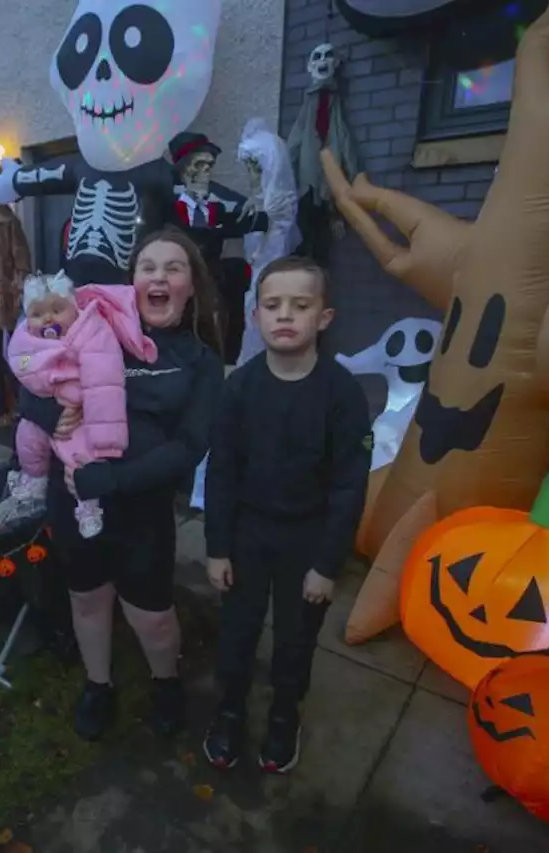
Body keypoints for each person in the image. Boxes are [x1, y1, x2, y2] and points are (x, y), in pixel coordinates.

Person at [20, 226, 224, 741]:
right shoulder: (96, 326)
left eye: (172, 268)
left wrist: (116, 479)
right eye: (147, 267)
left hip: (142, 510)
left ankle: (166, 681)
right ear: (130, 282)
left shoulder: (200, 361)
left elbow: (189, 447)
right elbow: (26, 368)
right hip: (74, 497)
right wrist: (45, 412)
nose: (158, 277)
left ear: (191, 284)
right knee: (87, 598)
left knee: (151, 614)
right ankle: (98, 684)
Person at [201, 256, 372, 773]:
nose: (285, 316)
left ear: (324, 317)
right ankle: (229, 712)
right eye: (273, 305)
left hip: (308, 536)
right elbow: (222, 472)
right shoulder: (240, 389)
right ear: (256, 316)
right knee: (237, 633)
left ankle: (282, 716)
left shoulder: (342, 395)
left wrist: (327, 564)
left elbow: (348, 486)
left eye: (300, 305)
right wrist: (217, 547)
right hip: (249, 533)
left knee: (296, 641)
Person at [7, 271, 158, 538]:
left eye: (57, 309)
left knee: (81, 456)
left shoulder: (91, 330)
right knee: (27, 437)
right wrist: (43, 398)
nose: (49, 319)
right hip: (51, 402)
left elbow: (104, 384)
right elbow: (24, 369)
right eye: (38, 314)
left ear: (74, 307)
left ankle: (88, 507)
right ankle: (33, 479)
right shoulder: (28, 338)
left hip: (83, 406)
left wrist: (106, 440)